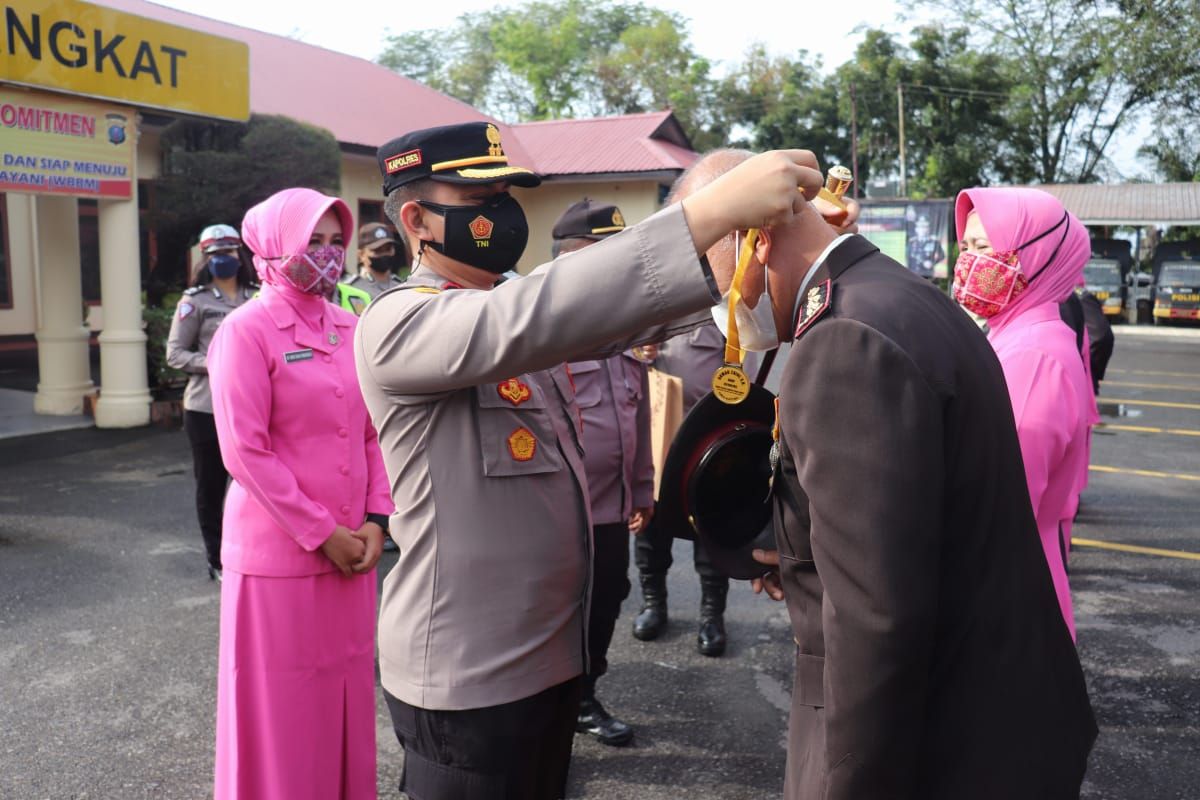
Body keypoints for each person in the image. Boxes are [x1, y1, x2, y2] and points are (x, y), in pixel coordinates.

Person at [354, 122, 826, 800]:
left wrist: (743, 251)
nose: (501, 212)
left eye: (506, 194)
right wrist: (711, 210)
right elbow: (543, 310)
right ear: (416, 219)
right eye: (477, 197)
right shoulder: (399, 323)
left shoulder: (507, 309)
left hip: (548, 661)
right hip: (468, 676)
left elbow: (613, 314)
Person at [673, 150, 1096, 798]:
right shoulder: (898, 298)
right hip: (1001, 715)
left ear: (746, 236)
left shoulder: (843, 341)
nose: (709, 294)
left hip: (945, 743)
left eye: (706, 265)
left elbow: (875, 621)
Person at [207, 187, 394, 800]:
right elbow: (244, 452)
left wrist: (374, 520)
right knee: (281, 704)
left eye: (336, 242)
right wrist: (323, 533)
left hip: (353, 551)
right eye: (312, 242)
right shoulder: (245, 331)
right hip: (281, 558)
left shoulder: (351, 326)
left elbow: (373, 432)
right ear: (272, 246)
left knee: (343, 690)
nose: (329, 255)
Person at [955, 187, 1093, 639]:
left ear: (1033, 257)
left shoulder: (1034, 357)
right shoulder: (1013, 336)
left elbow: (1002, 504)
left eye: (984, 249)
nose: (970, 264)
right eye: (966, 249)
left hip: (1005, 597)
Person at [552, 198, 652, 747]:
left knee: (610, 594)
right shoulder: (547, 329)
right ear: (571, 259)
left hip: (613, 506)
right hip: (561, 512)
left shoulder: (621, 326)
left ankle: (586, 691)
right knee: (563, 605)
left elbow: (636, 411)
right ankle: (562, 702)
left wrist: (642, 488)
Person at [630, 321, 734, 656]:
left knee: (711, 529)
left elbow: (738, 371)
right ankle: (653, 605)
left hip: (704, 439)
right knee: (651, 528)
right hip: (656, 434)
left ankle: (712, 617)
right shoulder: (648, 306)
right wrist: (639, 350)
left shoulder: (720, 312)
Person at [166, 224, 257, 581]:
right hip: (206, 409)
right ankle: (217, 559)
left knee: (253, 483)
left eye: (230, 253)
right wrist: (218, 361)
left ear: (240, 255)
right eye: (216, 254)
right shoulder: (194, 301)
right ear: (206, 259)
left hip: (252, 405)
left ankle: (248, 552)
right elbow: (175, 354)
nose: (224, 260)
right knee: (211, 485)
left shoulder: (257, 294)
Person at [345, 222, 408, 299]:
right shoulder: (351, 289)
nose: (384, 254)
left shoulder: (402, 288)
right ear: (361, 255)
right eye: (377, 250)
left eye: (388, 249)